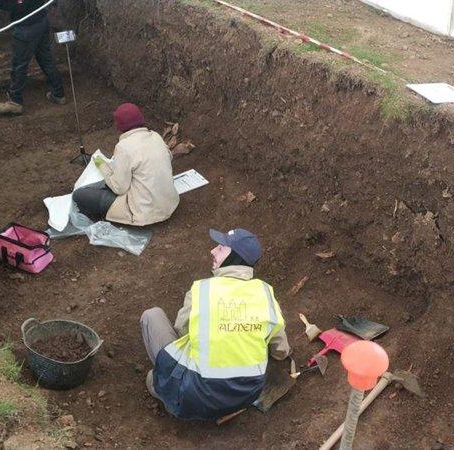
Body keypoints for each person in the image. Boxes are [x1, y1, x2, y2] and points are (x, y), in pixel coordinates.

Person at [140, 228, 291, 420]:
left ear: (234, 256)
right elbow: (281, 350)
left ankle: (170, 394)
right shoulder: (265, 293)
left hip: (191, 398)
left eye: (221, 248)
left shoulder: (202, 289)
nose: (213, 251)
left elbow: (181, 332)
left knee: (152, 319)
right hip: (245, 396)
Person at [72, 103, 179, 226]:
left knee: (79, 195)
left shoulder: (124, 147)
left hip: (144, 213)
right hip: (169, 205)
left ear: (119, 126)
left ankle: (102, 217)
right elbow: (167, 157)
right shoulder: (155, 136)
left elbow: (119, 188)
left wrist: (102, 166)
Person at [0, 0, 65, 116]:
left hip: (27, 26)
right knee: (45, 59)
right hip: (41, 19)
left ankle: (15, 102)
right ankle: (58, 93)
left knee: (19, 64)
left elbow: (14, 5)